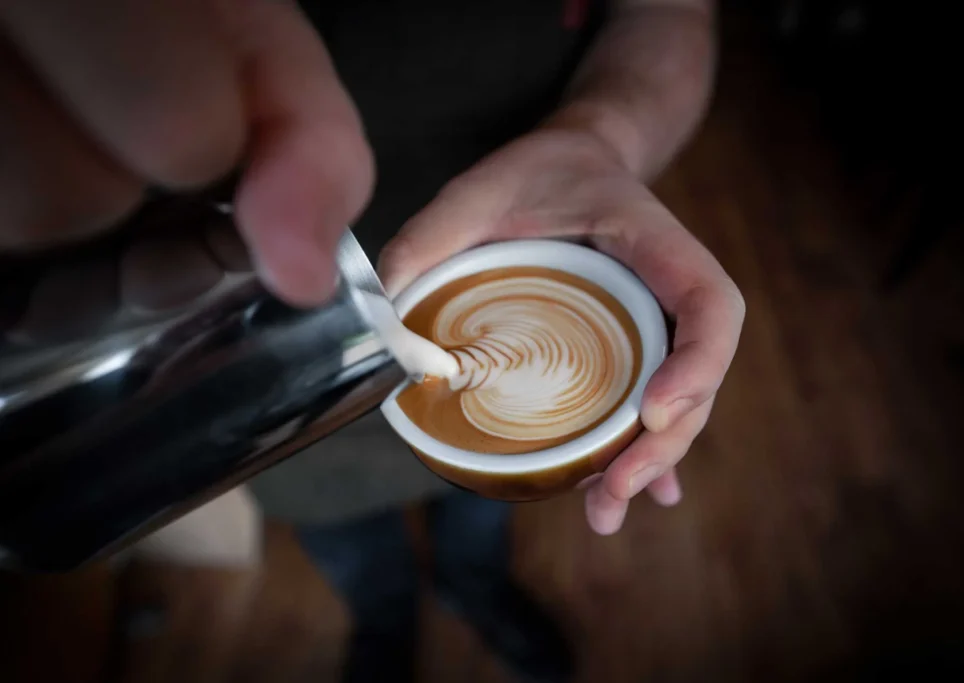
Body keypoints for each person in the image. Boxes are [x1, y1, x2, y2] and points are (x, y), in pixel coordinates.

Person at [0, 0, 743, 680]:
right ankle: (386, 623)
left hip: (538, 244)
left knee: (480, 517)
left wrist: (601, 140)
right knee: (344, 539)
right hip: (270, 356)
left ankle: (471, 588)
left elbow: (671, 11)